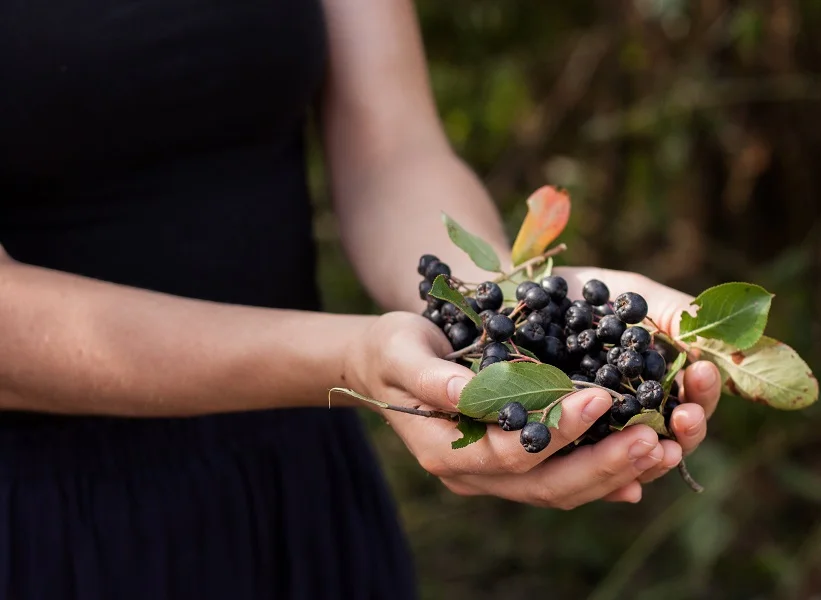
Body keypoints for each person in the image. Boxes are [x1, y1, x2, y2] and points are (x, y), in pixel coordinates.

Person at [0, 0, 721, 598]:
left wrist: (506, 306)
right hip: (38, 517)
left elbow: (393, 148)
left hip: (293, 479)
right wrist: (347, 359)